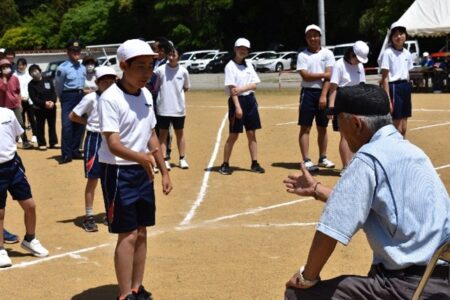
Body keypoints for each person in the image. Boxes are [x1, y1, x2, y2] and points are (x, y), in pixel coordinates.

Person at [283, 84, 450, 300]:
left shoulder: (367, 159)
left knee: (298, 295)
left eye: (338, 123)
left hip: (406, 285)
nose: (339, 131)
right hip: (441, 278)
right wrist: (317, 189)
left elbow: (331, 229)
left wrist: (307, 277)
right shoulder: (412, 151)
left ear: (356, 123)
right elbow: (365, 205)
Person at [97, 39, 172, 300]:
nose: (146, 73)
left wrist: (164, 170)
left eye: (150, 66)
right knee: (127, 235)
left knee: (141, 231)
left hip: (143, 170)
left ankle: (138, 288)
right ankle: (124, 293)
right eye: (139, 67)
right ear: (123, 66)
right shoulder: (110, 98)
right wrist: (141, 159)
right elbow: (113, 144)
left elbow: (151, 134)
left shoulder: (147, 94)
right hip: (118, 172)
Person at [0, 107, 49, 268]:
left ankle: (30, 239)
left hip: (13, 166)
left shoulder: (7, 113)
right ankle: (1, 250)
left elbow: (15, 134)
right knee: (0, 213)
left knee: (30, 206)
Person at [69, 66, 117, 232]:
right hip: (95, 139)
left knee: (110, 177)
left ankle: (111, 212)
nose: (108, 82)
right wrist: (88, 123)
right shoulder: (90, 98)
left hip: (112, 139)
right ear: (97, 82)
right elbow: (73, 115)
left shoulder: (118, 97)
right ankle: (89, 216)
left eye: (112, 79)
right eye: (104, 80)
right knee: (93, 178)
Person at [218, 37, 265, 175]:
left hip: (250, 101)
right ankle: (225, 164)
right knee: (234, 134)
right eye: (240, 48)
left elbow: (254, 85)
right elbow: (233, 90)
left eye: (245, 49)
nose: (243, 51)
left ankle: (254, 163)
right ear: (235, 49)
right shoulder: (230, 66)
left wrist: (241, 89)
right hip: (236, 102)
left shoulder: (249, 65)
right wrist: (238, 107)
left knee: (251, 133)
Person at [297, 24, 335, 172]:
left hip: (322, 93)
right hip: (307, 93)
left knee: (323, 128)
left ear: (320, 36)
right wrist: (323, 75)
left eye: (316, 35)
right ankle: (306, 159)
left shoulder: (327, 54)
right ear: (306, 38)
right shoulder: (302, 55)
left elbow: (329, 77)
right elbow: (305, 75)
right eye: (310, 36)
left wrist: (324, 95)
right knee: (305, 127)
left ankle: (322, 157)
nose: (313, 38)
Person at [325, 41, 369, 171]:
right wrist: (331, 108)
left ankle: (353, 164)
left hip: (357, 101)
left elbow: (363, 86)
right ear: (351, 54)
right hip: (342, 100)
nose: (358, 62)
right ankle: (346, 167)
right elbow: (333, 88)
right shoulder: (339, 65)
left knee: (357, 134)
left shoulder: (360, 66)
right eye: (357, 58)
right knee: (345, 135)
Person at [154, 48, 191, 170]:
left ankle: (182, 158)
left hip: (178, 108)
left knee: (179, 133)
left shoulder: (184, 71)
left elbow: (186, 87)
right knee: (163, 134)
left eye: (173, 54)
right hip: (163, 107)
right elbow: (156, 87)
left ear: (178, 56)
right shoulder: (160, 70)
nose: (171, 57)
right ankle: (163, 159)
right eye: (169, 54)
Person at [379, 22, 414, 137]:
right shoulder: (388, 53)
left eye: (401, 34)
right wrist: (388, 100)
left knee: (404, 127)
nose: (399, 37)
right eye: (395, 34)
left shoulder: (407, 53)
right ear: (391, 38)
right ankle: (394, 151)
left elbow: (408, 73)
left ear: (405, 35)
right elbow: (384, 78)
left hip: (405, 87)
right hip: (394, 87)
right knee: (397, 126)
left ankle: (402, 150)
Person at [55, 39, 86, 164]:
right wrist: (61, 98)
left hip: (81, 96)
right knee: (67, 126)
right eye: (74, 51)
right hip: (68, 96)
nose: (76, 53)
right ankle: (66, 154)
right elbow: (58, 85)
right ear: (68, 52)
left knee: (80, 124)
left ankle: (75, 150)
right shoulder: (62, 68)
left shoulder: (83, 67)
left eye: (78, 51)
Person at [0, 58, 33, 149]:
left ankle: (25, 141)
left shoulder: (15, 78)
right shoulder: (0, 79)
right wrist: (4, 78)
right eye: (3, 67)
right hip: (4, 106)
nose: (6, 68)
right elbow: (3, 89)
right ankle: (9, 143)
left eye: (7, 66)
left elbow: (18, 92)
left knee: (20, 123)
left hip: (15, 105)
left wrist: (20, 103)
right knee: (6, 125)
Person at [28, 64, 58, 150]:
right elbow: (34, 98)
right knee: (40, 126)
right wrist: (44, 103)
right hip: (39, 108)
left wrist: (52, 101)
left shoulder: (48, 80)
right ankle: (41, 143)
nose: (34, 73)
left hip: (51, 107)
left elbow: (53, 92)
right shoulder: (31, 84)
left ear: (40, 70)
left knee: (52, 125)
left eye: (35, 70)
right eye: (32, 72)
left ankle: (53, 142)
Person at [14, 58, 37, 144]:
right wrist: (20, 98)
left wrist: (28, 97)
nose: (21, 66)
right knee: (20, 120)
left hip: (29, 99)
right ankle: (21, 136)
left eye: (22, 65)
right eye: (19, 65)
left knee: (32, 118)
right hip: (19, 100)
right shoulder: (14, 75)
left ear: (25, 65)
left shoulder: (29, 75)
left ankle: (35, 135)